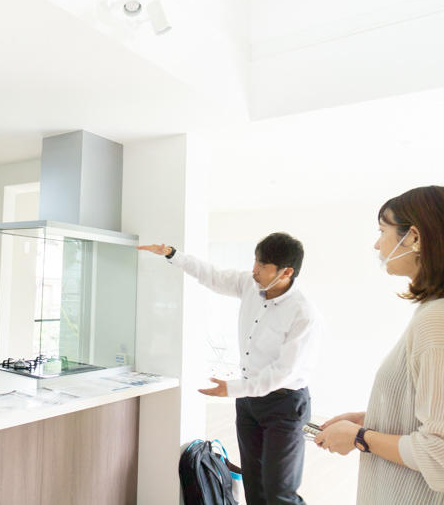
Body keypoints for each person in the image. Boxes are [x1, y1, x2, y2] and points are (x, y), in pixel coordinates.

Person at [138, 233, 325, 505]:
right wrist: (173, 254)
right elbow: (211, 275)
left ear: (286, 272)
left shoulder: (303, 314)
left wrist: (234, 388)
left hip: (283, 404)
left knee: (280, 492)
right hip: (249, 402)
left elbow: (284, 372)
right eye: (255, 261)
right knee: (253, 484)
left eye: (262, 265)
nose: (254, 270)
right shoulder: (250, 284)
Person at [315, 186, 444, 504]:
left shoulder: (435, 319)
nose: (377, 244)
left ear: (414, 237)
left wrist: (360, 437)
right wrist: (372, 418)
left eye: (382, 231)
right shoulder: (430, 311)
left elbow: (438, 454)